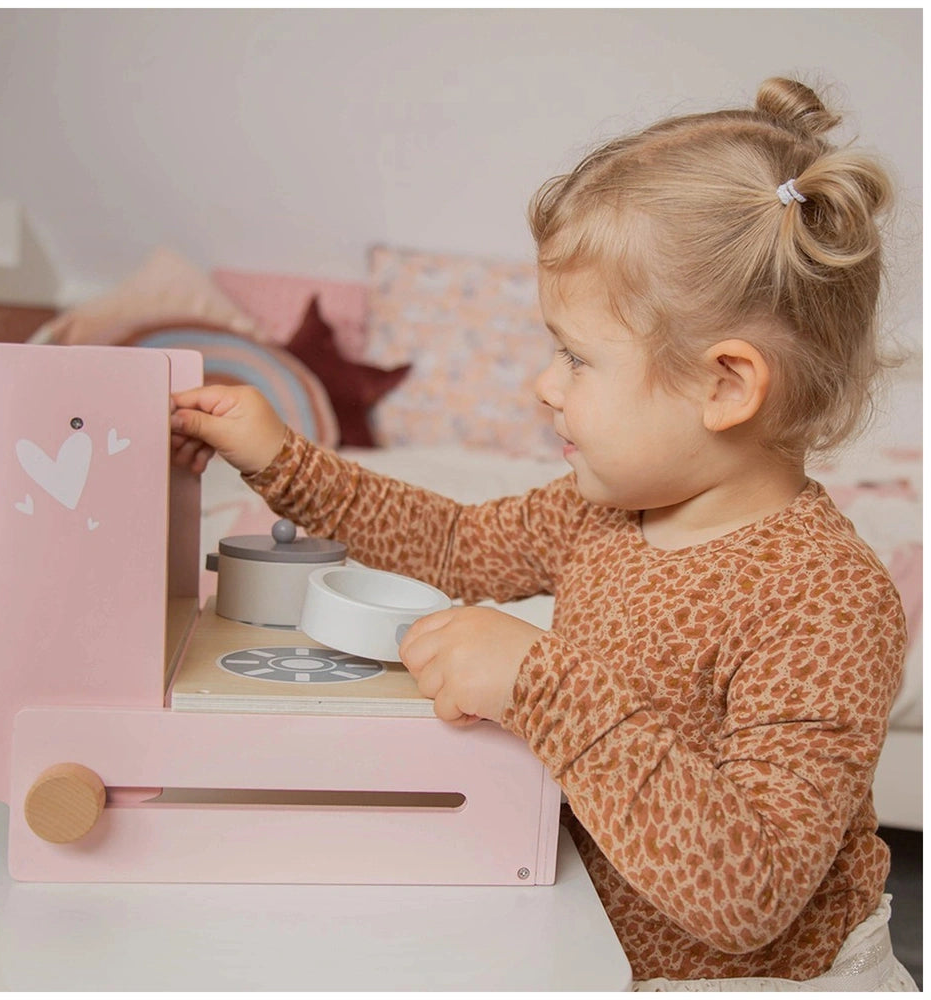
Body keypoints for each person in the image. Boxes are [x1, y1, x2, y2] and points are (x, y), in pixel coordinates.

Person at [170, 77, 916, 990]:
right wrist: (280, 456)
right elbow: (451, 544)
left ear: (725, 385)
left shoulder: (824, 600)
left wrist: (537, 682)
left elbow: (750, 891)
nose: (543, 384)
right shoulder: (598, 511)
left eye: (575, 355)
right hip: (599, 950)